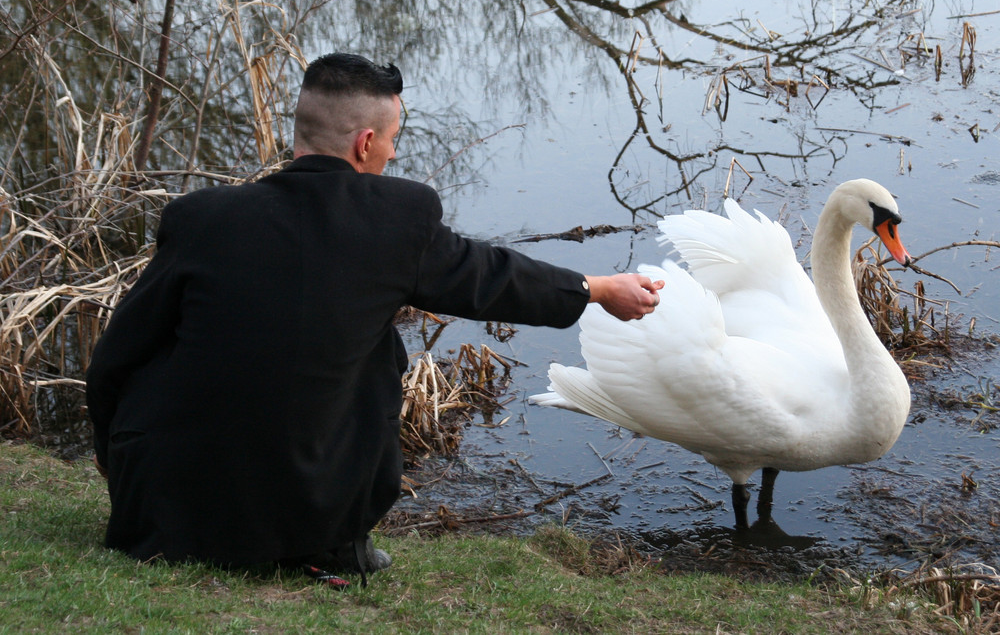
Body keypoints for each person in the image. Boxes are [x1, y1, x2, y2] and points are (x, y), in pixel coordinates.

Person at [85, 52, 663, 585]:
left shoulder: (199, 218)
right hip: (305, 513)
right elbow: (490, 279)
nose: (394, 154)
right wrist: (597, 288)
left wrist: (113, 460)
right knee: (377, 353)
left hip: (162, 517)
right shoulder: (398, 216)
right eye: (392, 140)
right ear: (365, 143)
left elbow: (117, 356)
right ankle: (330, 543)